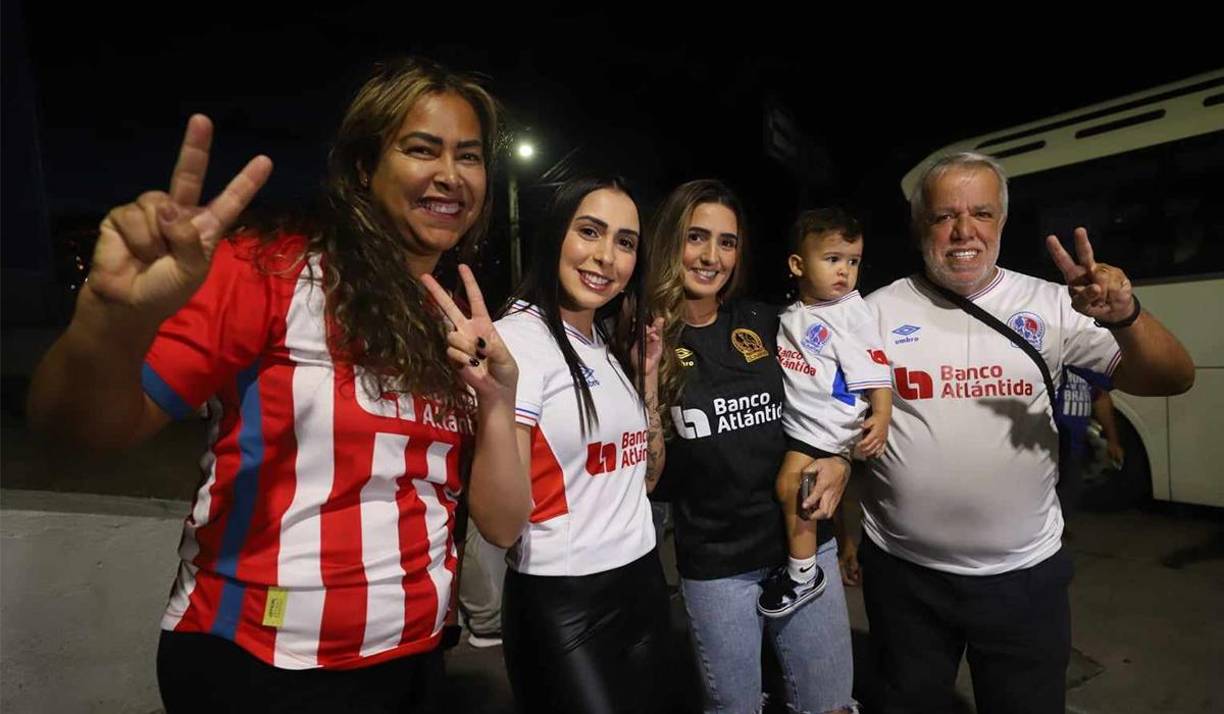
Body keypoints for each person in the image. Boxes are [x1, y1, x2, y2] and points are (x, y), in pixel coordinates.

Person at [26, 57, 532, 713]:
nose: (450, 174)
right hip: (261, 670)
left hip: (412, 664)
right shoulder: (274, 268)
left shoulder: (452, 320)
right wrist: (108, 317)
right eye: (421, 149)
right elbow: (78, 430)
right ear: (362, 169)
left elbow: (499, 521)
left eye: (469, 156)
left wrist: (498, 399)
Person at [859, 151, 1195, 713]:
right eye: (945, 216)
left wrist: (1125, 315)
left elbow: (1174, 377)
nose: (964, 231)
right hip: (904, 579)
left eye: (981, 214)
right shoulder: (873, 313)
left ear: (1002, 223)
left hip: (1023, 580)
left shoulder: (1051, 304)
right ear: (922, 224)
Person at [646, 180, 856, 714]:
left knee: (829, 705)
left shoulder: (767, 321)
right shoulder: (641, 339)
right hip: (718, 565)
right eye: (697, 237)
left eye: (727, 242)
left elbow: (832, 400)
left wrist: (841, 459)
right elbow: (649, 477)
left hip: (805, 544)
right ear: (670, 241)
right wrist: (648, 388)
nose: (712, 256)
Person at [493, 177, 670, 713]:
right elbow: (500, 525)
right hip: (563, 598)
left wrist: (650, 383)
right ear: (554, 237)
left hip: (642, 577)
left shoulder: (608, 348)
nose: (606, 257)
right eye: (589, 232)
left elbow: (644, 479)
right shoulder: (518, 341)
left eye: (625, 242)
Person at [758, 207, 893, 618]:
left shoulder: (851, 314)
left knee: (790, 485)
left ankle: (803, 575)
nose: (844, 271)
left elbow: (877, 371)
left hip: (825, 428)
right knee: (803, 495)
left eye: (852, 261)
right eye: (833, 259)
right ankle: (809, 559)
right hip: (801, 425)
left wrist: (882, 417)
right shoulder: (792, 313)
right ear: (798, 265)